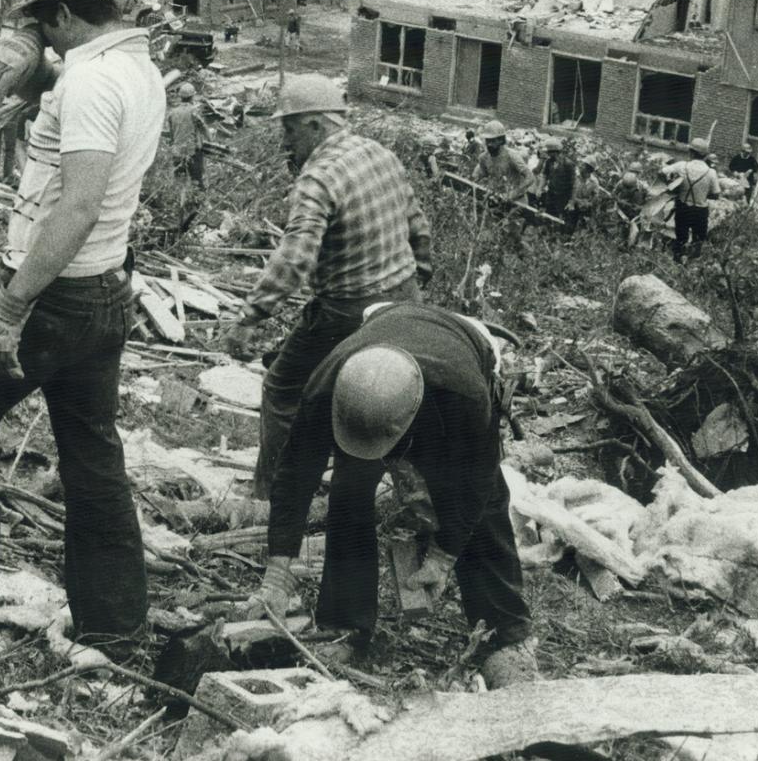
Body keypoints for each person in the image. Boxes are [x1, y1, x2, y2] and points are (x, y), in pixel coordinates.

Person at [0, 0, 164, 655]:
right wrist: (39, 78)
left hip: (54, 294)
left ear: (59, 13)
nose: (34, 35)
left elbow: (78, 203)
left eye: (39, 22)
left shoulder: (90, 84)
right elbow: (75, 136)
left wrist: (11, 304)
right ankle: (114, 626)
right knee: (91, 457)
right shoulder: (134, 69)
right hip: (105, 290)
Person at [247, 301, 536, 687]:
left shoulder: (464, 395)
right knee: (349, 491)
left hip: (458, 355)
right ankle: (345, 625)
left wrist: (443, 554)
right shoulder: (325, 387)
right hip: (378, 345)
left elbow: (478, 479)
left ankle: (505, 635)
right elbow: (294, 474)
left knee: (483, 506)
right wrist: (278, 570)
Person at [219, 75, 433, 498]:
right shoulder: (380, 153)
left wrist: (251, 317)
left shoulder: (318, 179)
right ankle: (414, 492)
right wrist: (416, 280)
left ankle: (272, 495)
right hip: (404, 299)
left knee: (282, 389)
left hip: (347, 310)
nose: (285, 141)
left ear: (316, 125)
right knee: (397, 395)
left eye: (289, 128)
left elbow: (296, 257)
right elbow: (417, 223)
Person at [662, 138, 717, 263]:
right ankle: (692, 264)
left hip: (683, 208)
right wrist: (702, 194)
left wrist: (672, 186)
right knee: (698, 240)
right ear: (705, 155)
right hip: (700, 211)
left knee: (681, 237)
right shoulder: (711, 172)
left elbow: (662, 172)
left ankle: (677, 261)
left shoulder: (682, 166)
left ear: (691, 152)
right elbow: (716, 194)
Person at [472, 121, 532, 206]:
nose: (489, 144)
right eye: (488, 140)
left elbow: (530, 177)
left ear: (501, 140)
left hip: (516, 201)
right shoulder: (483, 158)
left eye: (493, 141)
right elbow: (482, 175)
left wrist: (512, 194)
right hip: (497, 199)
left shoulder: (512, 156)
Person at [166, 81, 210, 187]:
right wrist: (210, 140)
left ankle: (179, 201)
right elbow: (203, 127)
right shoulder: (194, 111)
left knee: (180, 181)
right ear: (192, 97)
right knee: (197, 180)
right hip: (192, 152)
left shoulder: (172, 113)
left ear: (180, 97)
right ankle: (199, 201)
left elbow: (171, 135)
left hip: (177, 151)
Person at [534, 137, 574, 219]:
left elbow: (574, 184)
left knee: (560, 217)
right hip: (551, 193)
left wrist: (571, 201)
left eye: (548, 152)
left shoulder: (568, 164)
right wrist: (539, 188)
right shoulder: (549, 162)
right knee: (549, 214)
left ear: (554, 152)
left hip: (563, 196)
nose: (547, 154)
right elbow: (545, 176)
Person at [565, 159, 609, 233]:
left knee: (588, 225)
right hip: (573, 203)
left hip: (586, 206)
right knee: (570, 223)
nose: (580, 166)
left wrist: (589, 203)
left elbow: (595, 195)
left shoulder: (594, 181)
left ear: (588, 169)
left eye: (583, 165)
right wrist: (573, 201)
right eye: (581, 165)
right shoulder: (574, 177)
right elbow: (567, 191)